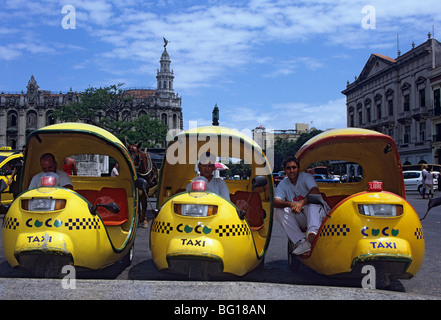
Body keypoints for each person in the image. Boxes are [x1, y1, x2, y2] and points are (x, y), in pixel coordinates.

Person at [274, 156, 329, 255]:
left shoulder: (306, 177)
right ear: (284, 170)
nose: (292, 171)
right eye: (288, 168)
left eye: (294, 167)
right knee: (279, 211)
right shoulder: (283, 184)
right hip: (302, 216)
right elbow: (276, 201)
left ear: (298, 168)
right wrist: (290, 204)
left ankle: (312, 234)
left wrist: (301, 203)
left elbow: (315, 191)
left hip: (318, 216)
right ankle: (301, 242)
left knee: (311, 203)